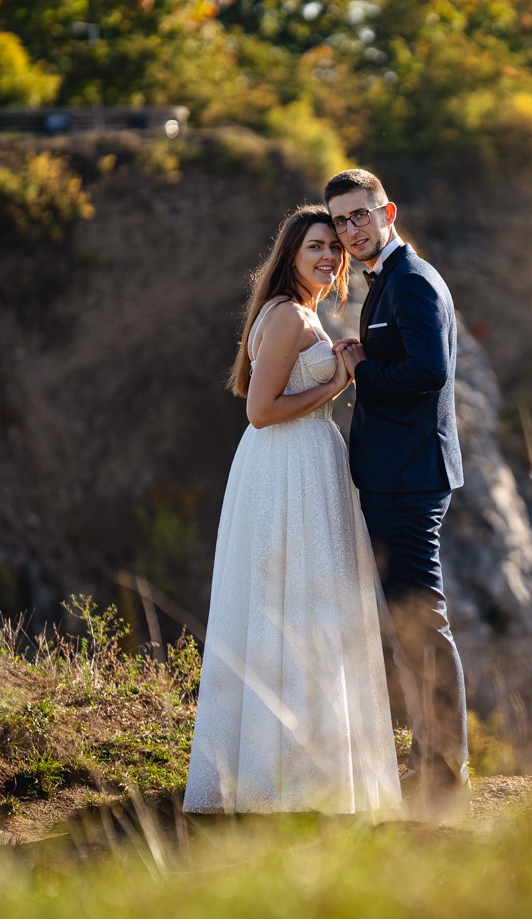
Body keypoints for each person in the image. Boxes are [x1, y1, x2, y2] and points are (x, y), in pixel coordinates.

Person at [182, 205, 401, 815]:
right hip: (285, 467)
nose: (330, 257)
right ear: (291, 256)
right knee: (291, 606)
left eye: (335, 247)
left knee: (310, 611)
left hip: (305, 463)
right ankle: (279, 779)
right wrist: (339, 381)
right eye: (316, 247)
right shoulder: (285, 315)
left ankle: (308, 770)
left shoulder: (304, 313)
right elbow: (260, 410)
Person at [325, 168, 468, 816]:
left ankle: (443, 773)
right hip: (395, 473)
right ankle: (427, 760)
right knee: (411, 622)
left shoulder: (410, 279)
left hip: (410, 476)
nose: (350, 231)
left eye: (359, 216)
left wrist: (359, 367)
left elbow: (427, 372)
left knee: (422, 622)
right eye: (339, 222)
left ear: (387, 211)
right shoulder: (387, 279)